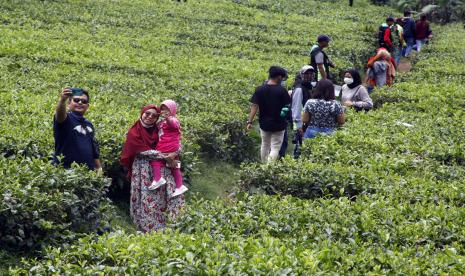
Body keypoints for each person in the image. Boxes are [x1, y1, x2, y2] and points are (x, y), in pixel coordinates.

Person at [120, 105, 185, 232]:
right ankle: (149, 228)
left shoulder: (160, 128)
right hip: (143, 169)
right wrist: (165, 156)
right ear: (142, 113)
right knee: (148, 197)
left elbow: (175, 139)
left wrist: (174, 152)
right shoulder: (134, 131)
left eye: (154, 115)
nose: (150, 117)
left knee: (167, 194)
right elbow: (141, 150)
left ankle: (170, 226)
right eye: (147, 114)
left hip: (162, 167)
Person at [247, 66, 291, 163]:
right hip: (279, 123)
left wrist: (250, 121)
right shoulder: (282, 90)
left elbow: (254, 106)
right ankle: (269, 168)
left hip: (264, 122)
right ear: (278, 77)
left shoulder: (259, 89)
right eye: (282, 77)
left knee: (265, 144)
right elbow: (287, 106)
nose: (282, 79)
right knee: (275, 147)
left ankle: (263, 165)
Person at [53, 88, 102, 172]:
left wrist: (99, 169)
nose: (80, 103)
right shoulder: (66, 119)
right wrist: (62, 101)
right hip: (67, 173)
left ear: (87, 106)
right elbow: (60, 116)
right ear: (69, 103)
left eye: (84, 101)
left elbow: (93, 150)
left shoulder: (89, 124)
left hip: (88, 174)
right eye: (76, 100)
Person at [148, 100, 188, 197]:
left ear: (173, 110)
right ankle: (179, 186)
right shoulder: (162, 121)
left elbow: (173, 124)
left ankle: (158, 179)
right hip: (172, 146)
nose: (164, 112)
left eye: (167, 110)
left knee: (155, 160)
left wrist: (168, 118)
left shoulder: (172, 119)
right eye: (162, 110)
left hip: (167, 146)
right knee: (175, 166)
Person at [290, 65, 316, 158]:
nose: (309, 76)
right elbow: (296, 108)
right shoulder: (299, 89)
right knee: (299, 145)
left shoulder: (309, 87)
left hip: (307, 121)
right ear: (301, 75)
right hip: (300, 122)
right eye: (306, 74)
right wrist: (298, 126)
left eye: (311, 74)